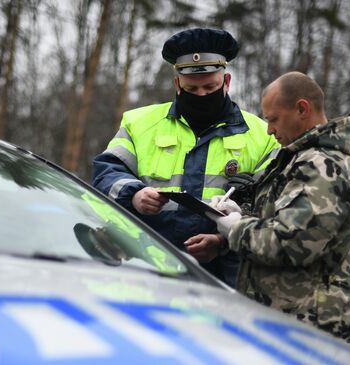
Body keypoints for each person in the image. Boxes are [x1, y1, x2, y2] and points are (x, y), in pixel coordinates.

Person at [92, 28, 279, 286]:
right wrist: (133, 194)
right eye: (192, 88)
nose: (201, 95)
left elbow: (276, 210)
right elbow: (106, 173)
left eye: (210, 87)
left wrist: (223, 242)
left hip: (222, 280)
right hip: (144, 271)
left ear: (226, 82)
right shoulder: (139, 123)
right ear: (177, 83)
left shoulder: (263, 135)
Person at [209, 71, 350, 345]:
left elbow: (293, 243)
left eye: (273, 119)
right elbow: (284, 222)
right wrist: (239, 214)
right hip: (294, 319)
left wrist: (236, 229)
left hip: (313, 327)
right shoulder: (301, 159)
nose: (269, 130)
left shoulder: (326, 166)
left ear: (302, 109)